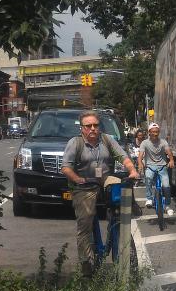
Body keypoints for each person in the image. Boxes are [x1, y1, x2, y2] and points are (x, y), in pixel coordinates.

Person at [60, 111, 139, 276]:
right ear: (82, 128)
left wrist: (132, 170)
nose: (92, 129)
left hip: (104, 179)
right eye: (88, 126)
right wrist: (77, 179)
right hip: (84, 184)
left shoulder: (107, 139)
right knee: (85, 223)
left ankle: (122, 218)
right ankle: (86, 263)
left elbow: (123, 156)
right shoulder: (75, 143)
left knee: (122, 186)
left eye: (95, 125)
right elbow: (66, 168)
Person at [139, 123, 175, 216]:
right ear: (149, 132)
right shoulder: (144, 143)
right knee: (148, 178)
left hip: (162, 166)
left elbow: (168, 152)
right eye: (153, 132)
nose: (155, 134)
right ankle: (149, 198)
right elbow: (140, 155)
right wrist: (140, 163)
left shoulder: (163, 142)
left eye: (157, 132)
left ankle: (167, 206)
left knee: (166, 186)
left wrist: (171, 160)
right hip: (150, 166)